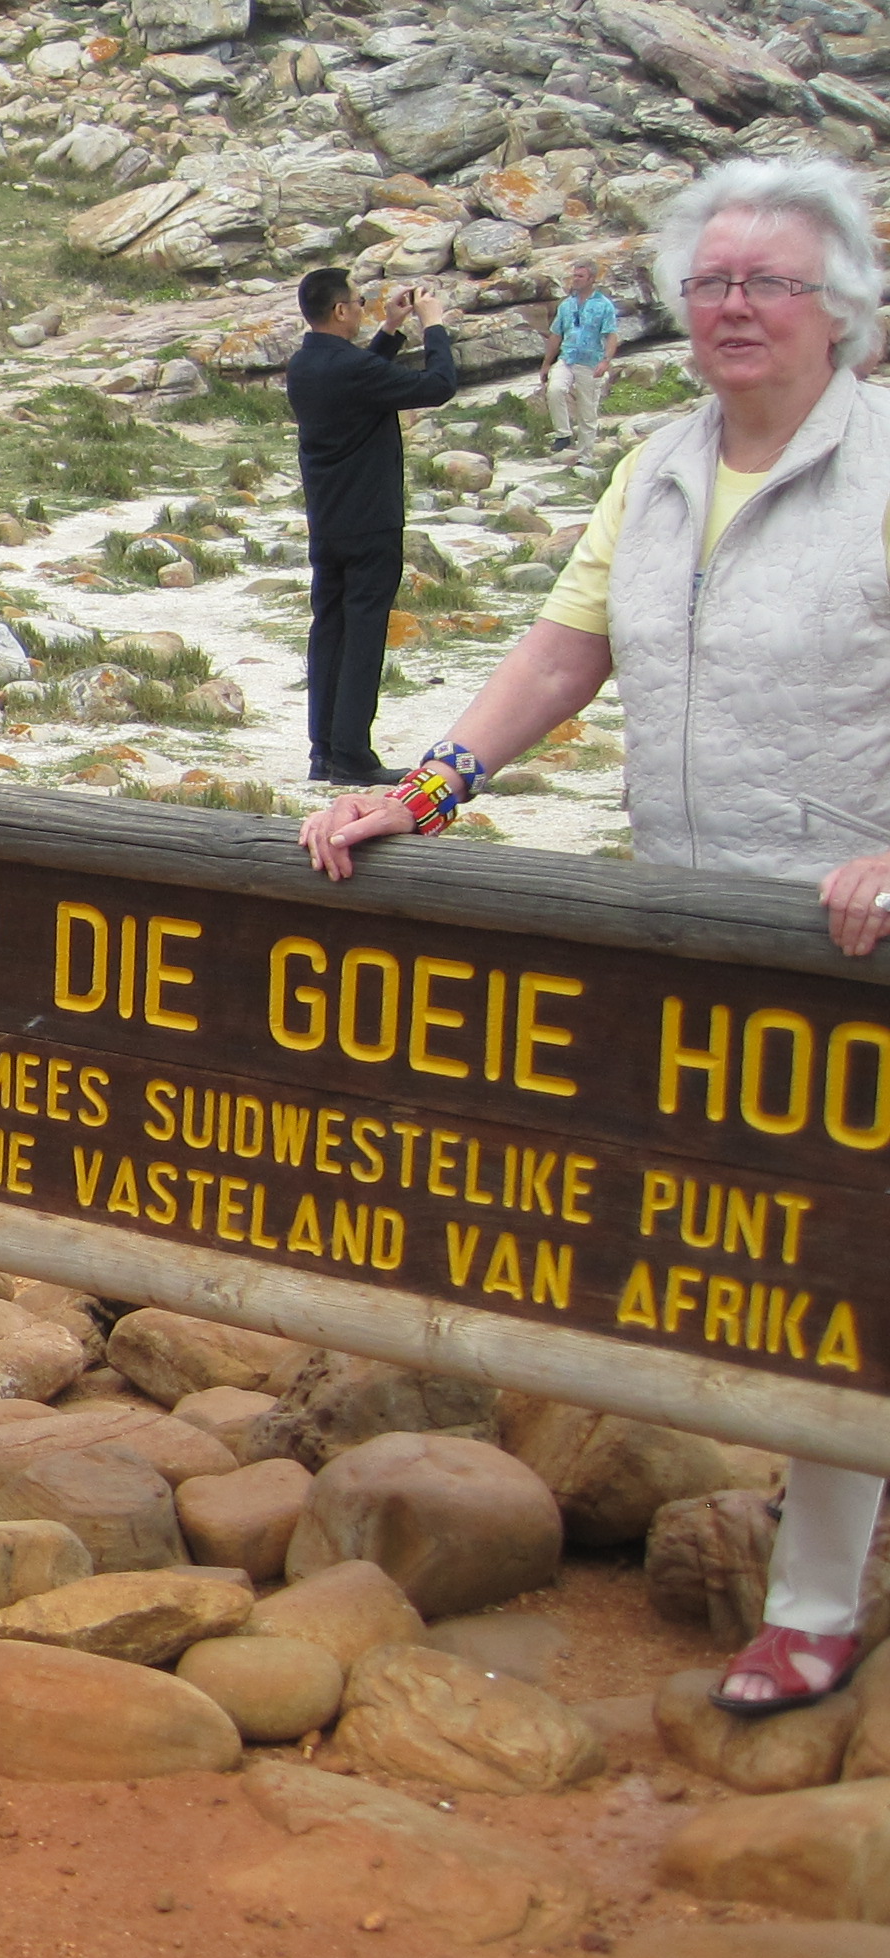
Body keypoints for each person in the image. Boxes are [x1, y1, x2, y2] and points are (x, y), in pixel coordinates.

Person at [299, 156, 888, 1718]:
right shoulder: (656, 467)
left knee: (851, 1254)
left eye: (771, 283)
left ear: (840, 308)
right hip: (699, 921)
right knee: (775, 1246)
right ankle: (826, 1520)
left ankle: (814, 1604)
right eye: (711, 281)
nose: (735, 307)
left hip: (858, 936)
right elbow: (564, 656)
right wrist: (424, 792)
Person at [285, 268, 459, 788]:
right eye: (359, 302)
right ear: (340, 310)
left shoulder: (305, 363)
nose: (363, 308)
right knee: (363, 635)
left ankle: (324, 750)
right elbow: (438, 386)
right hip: (370, 518)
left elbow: (358, 378)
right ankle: (353, 756)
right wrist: (433, 325)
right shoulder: (350, 368)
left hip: (328, 519)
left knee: (330, 629)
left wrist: (390, 328)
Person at [548, 259, 625, 465]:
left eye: (580, 276)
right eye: (574, 275)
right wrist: (546, 364)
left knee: (587, 412)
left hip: (590, 362)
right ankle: (563, 434)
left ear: (591, 279)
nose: (575, 279)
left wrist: (606, 361)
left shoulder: (603, 305)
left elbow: (611, 335)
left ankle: (584, 457)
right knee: (555, 389)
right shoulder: (566, 305)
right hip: (567, 358)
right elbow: (556, 334)